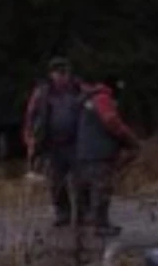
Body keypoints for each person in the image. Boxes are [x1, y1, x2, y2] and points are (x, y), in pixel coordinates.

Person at [73, 76, 139, 237]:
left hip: (83, 151)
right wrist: (130, 139)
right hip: (100, 152)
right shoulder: (102, 98)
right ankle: (100, 225)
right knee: (101, 189)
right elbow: (111, 121)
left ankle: (84, 223)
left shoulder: (84, 100)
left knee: (85, 189)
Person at [23, 57, 85, 227]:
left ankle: (83, 213)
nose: (62, 76)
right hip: (52, 144)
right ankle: (62, 213)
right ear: (51, 74)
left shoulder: (79, 89)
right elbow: (31, 115)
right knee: (56, 182)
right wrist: (30, 138)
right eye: (58, 72)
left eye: (64, 72)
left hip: (76, 142)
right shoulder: (42, 93)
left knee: (81, 180)